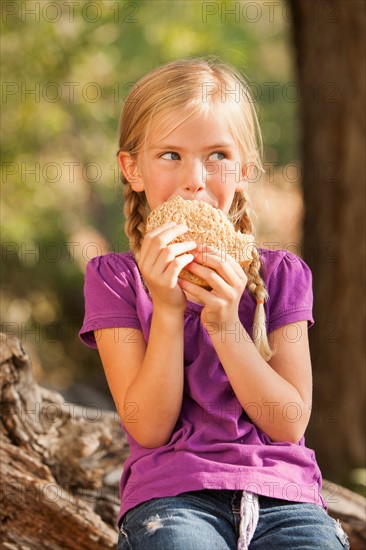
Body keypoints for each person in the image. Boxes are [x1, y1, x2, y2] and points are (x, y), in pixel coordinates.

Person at [79, 58, 349, 550]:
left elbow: (288, 422)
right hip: (173, 497)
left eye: (218, 154)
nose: (194, 179)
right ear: (132, 168)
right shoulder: (116, 280)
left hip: (286, 498)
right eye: (170, 155)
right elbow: (149, 427)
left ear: (246, 170)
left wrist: (226, 324)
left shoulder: (281, 275)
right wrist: (165, 309)